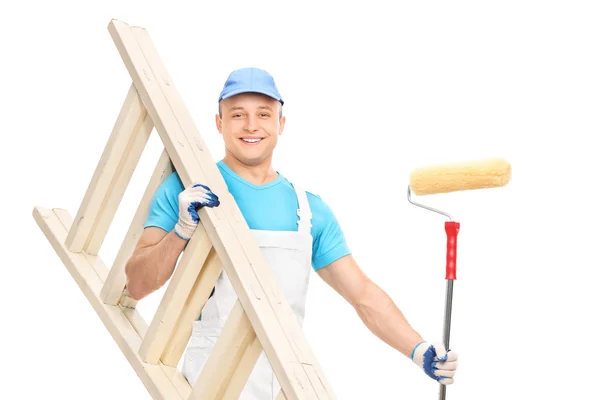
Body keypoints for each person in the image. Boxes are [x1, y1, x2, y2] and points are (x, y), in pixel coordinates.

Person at [124, 67, 458, 399]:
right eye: (238, 114)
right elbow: (137, 285)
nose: (252, 125)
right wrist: (181, 231)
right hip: (209, 383)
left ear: (280, 124)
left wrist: (419, 350)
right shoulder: (185, 190)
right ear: (219, 123)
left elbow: (363, 295)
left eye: (264, 114)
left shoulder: (309, 211)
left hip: (286, 379)